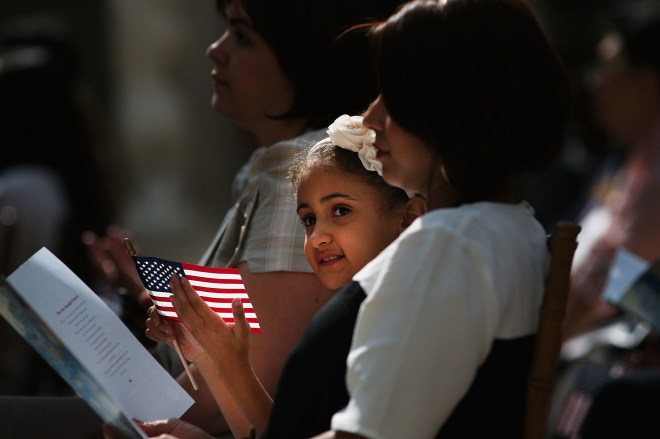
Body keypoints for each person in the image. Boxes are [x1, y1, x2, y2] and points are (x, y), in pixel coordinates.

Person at [86, 0, 405, 436]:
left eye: (242, 36)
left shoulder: (300, 166)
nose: (214, 51)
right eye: (308, 219)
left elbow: (242, 390)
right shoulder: (281, 169)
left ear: (306, 55)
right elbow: (246, 402)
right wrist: (162, 307)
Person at [311, 0, 570, 437]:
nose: (370, 117)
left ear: (452, 107)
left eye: (392, 96)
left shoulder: (450, 242)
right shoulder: (511, 225)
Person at [142, 114, 425, 439]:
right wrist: (211, 355)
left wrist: (230, 364)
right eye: (308, 220)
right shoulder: (351, 317)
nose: (318, 236)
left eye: (340, 211)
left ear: (409, 218)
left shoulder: (406, 321)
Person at [561, 2, 660, 340]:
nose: (594, 82)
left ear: (646, 82)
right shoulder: (637, 154)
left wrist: (541, 352)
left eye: (607, 66)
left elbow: (617, 271)